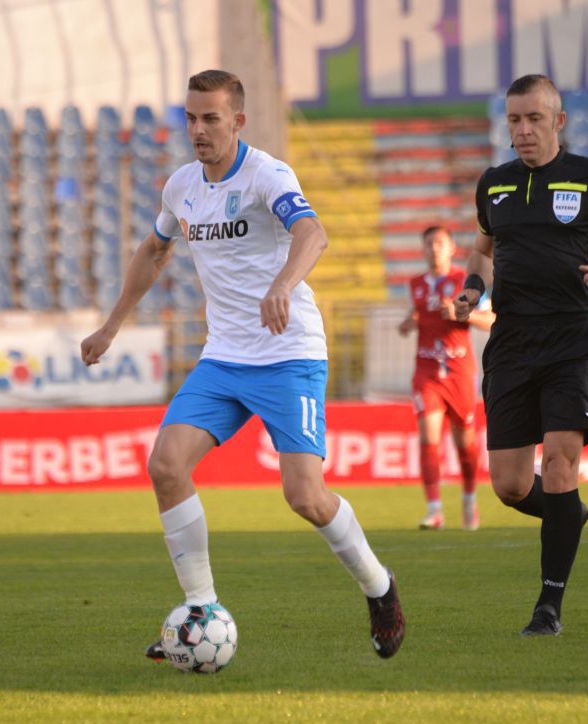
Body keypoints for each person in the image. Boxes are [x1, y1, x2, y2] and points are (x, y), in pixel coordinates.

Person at [81, 70, 404, 661]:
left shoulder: (267, 175)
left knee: (306, 497)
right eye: (190, 117)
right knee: (166, 464)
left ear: (238, 120)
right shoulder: (181, 186)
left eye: (210, 118)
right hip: (224, 358)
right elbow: (154, 250)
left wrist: (283, 285)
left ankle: (379, 587)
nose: (198, 130)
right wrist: (111, 325)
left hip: (289, 353)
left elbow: (312, 232)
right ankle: (201, 608)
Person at [454, 74, 588, 637]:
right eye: (514, 120)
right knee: (507, 484)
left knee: (558, 465)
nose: (523, 131)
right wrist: (471, 291)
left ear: (558, 121)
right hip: (510, 344)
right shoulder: (494, 185)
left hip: (572, 342)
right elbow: (482, 253)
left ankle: (548, 608)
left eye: (533, 119)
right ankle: (569, 514)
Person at [398, 225, 495, 531]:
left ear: (452, 248)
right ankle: (434, 509)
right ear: (422, 249)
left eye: (439, 243)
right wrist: (409, 322)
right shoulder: (414, 284)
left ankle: (468, 497)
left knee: (464, 443)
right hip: (426, 371)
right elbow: (419, 313)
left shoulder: (465, 282)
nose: (433, 249)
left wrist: (460, 315)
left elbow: (491, 320)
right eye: (428, 244)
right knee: (428, 435)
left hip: (459, 371)